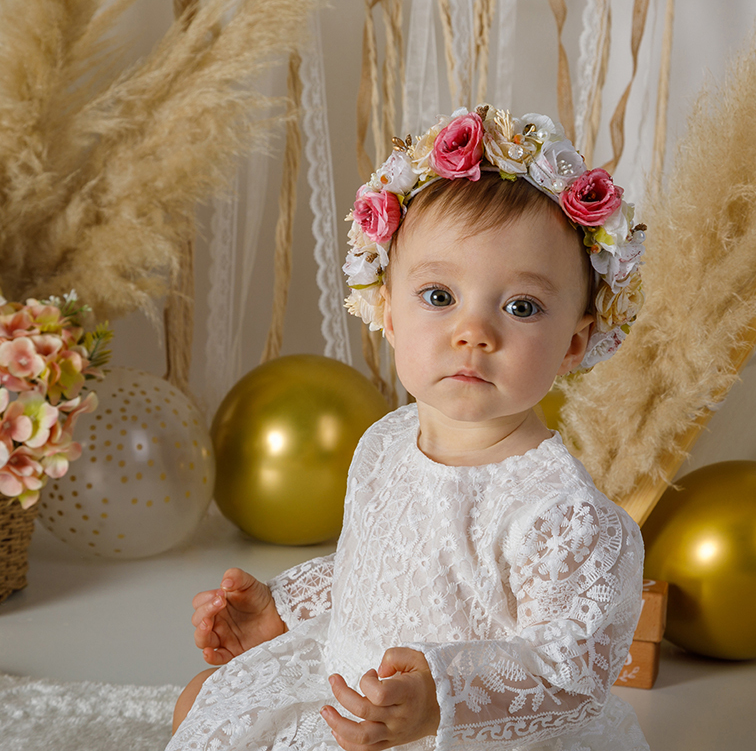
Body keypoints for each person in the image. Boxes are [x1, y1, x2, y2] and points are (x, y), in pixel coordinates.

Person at [167, 104, 649, 751]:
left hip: (465, 730)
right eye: (439, 296)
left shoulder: (565, 517)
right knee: (203, 704)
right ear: (388, 312)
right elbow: (372, 562)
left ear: (572, 344)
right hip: (349, 682)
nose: (473, 332)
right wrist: (280, 609)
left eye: (522, 306)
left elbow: (569, 673)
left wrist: (440, 700)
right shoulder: (387, 441)